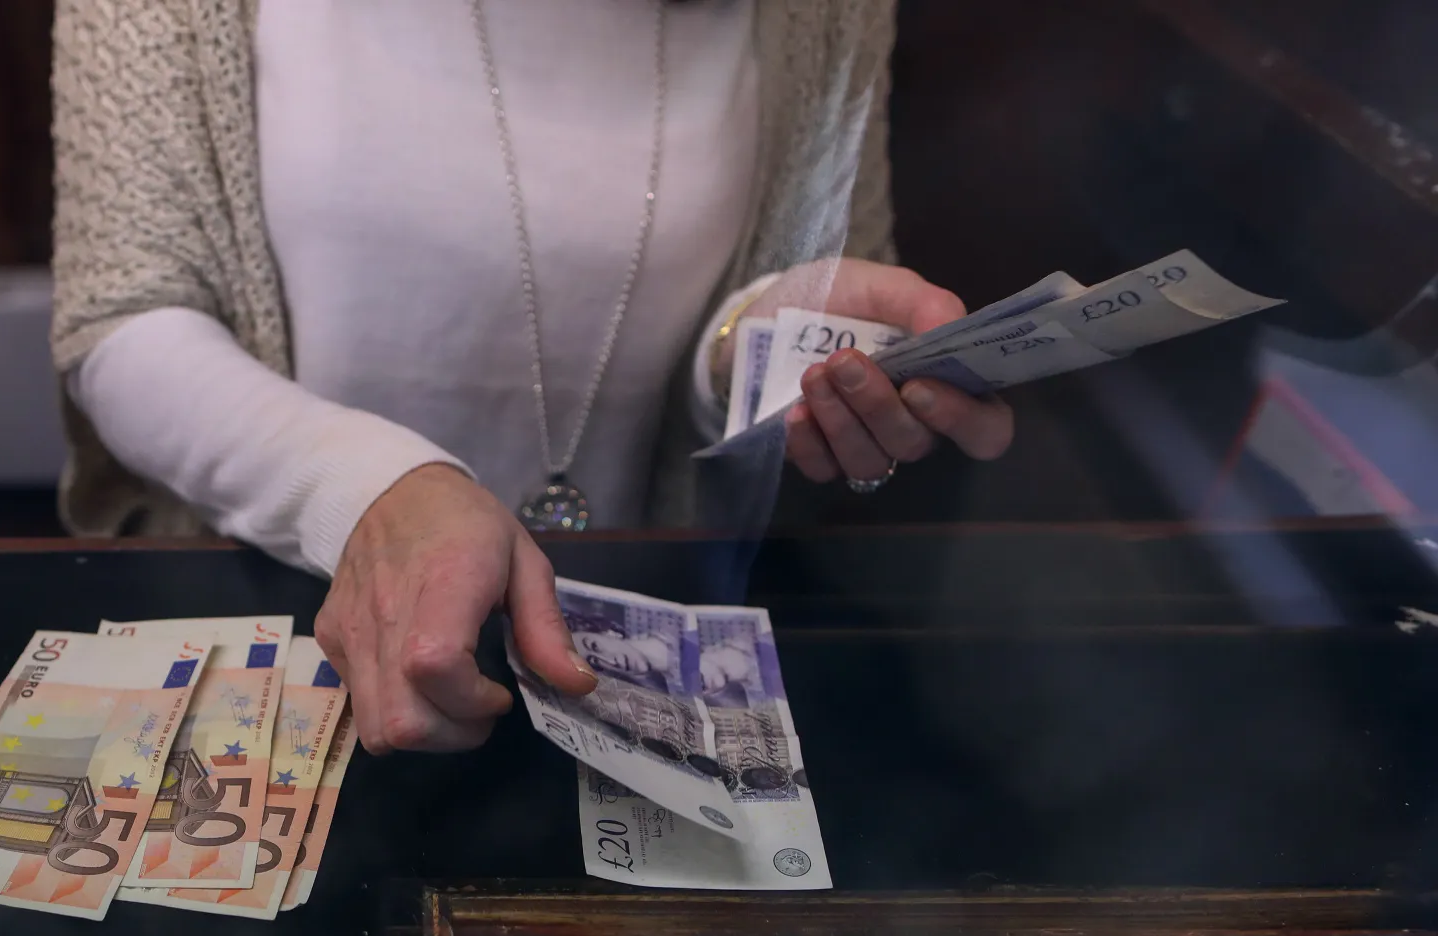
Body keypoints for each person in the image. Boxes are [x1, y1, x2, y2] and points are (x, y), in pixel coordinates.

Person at [52, 0, 1014, 756]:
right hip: (274, 607)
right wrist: (372, 492)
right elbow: (125, 320)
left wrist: (753, 345)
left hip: (628, 644)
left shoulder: (825, 10)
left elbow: (749, 321)